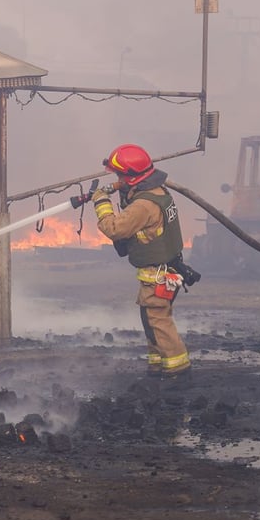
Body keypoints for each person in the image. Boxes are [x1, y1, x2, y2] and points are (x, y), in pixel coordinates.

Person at [91, 144, 191, 377]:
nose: (118, 180)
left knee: (158, 321)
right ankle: (157, 366)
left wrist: (101, 203)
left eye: (120, 176)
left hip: (157, 275)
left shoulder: (143, 205)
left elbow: (116, 229)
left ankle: (178, 371)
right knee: (151, 320)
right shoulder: (157, 192)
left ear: (132, 177)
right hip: (164, 271)